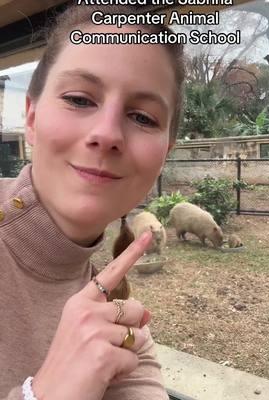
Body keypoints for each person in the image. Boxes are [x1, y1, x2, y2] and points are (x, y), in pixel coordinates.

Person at [0, 4, 185, 400]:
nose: (107, 133)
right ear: (30, 118)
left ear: (164, 153)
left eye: (143, 117)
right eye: (80, 99)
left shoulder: (120, 321)